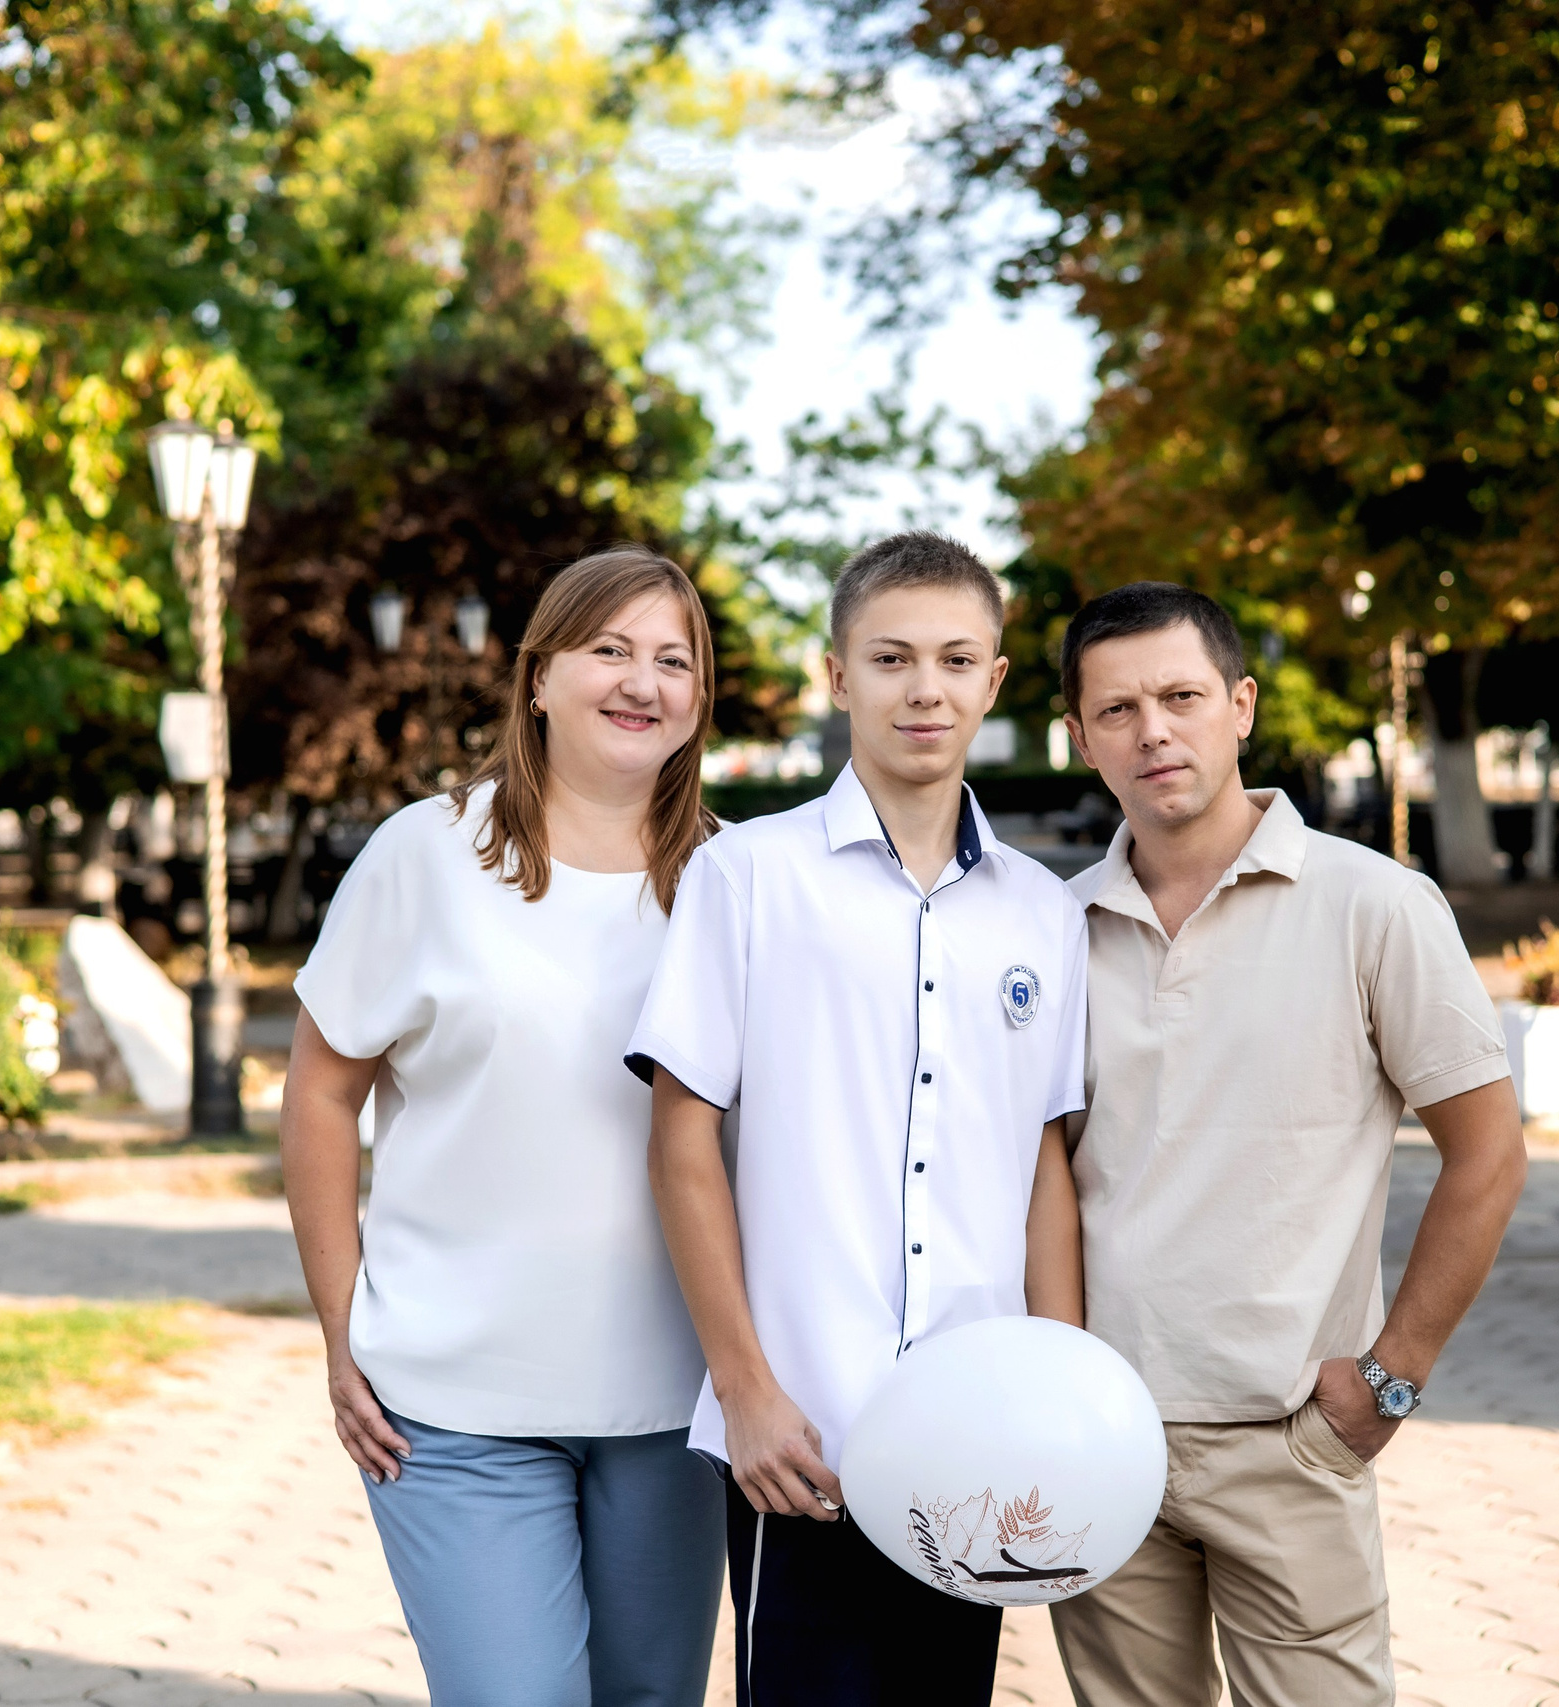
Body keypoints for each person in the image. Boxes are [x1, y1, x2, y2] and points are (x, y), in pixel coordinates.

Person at [630, 531, 1089, 1707]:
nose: (922, 689)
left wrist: (1059, 1390)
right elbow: (682, 1143)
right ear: (837, 677)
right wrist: (744, 1389)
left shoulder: (1043, 914)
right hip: (807, 1431)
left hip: (977, 1429)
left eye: (954, 659)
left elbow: (1043, 1160)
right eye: (889, 659)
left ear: (995, 679)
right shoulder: (748, 877)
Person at [1050, 582, 1528, 1707]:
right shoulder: (1049, 928)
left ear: (1241, 705)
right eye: (1116, 710)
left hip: (1290, 1436)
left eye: (1180, 696)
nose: (1152, 730)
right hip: (1097, 1437)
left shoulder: (1373, 905)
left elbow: (1488, 1153)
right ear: (1078, 737)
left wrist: (1390, 1379)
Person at [278, 547, 727, 1707]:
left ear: (698, 698)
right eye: (609, 651)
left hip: (676, 1407)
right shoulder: (425, 854)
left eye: (672, 660)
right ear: (538, 677)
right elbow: (321, 1092)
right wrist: (340, 1329)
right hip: (454, 1406)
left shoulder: (734, 885)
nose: (642, 683)